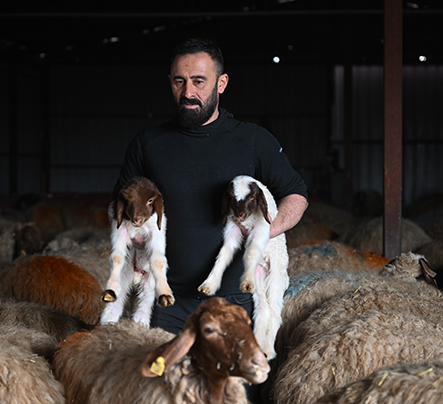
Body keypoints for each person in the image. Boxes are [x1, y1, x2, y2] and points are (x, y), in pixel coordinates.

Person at [111, 37, 309, 335]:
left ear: (222, 83)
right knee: (161, 367)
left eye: (199, 81)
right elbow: (118, 203)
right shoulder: (148, 143)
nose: (188, 92)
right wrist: (133, 232)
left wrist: (266, 230)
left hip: (235, 300)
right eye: (179, 81)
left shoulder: (252, 141)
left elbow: (296, 194)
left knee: (233, 369)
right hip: (165, 301)